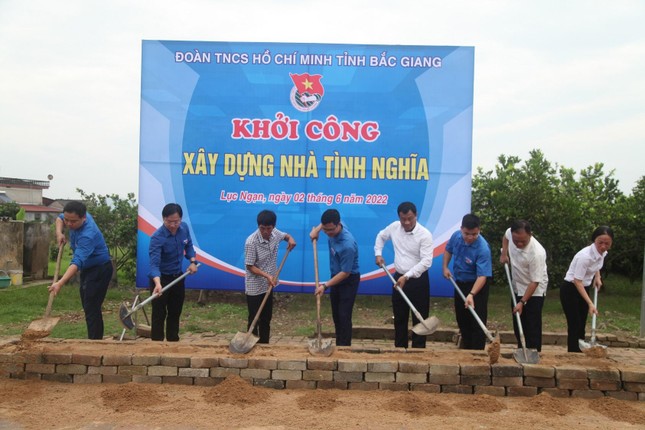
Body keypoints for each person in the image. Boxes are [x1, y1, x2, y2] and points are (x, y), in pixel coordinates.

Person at [49, 201, 113, 340]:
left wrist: (60, 283)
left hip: (100, 269)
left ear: (84, 218)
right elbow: (59, 218)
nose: (69, 224)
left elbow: (77, 261)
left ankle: (94, 342)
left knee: (91, 306)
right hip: (88, 268)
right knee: (88, 304)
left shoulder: (88, 235)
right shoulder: (71, 216)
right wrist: (59, 233)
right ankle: (95, 338)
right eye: (68, 220)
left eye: (73, 221)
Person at [374, 201, 434, 348]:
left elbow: (426, 262)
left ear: (416, 216)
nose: (406, 222)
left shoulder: (425, 235)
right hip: (398, 278)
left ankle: (418, 351)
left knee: (419, 318)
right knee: (399, 316)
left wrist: (407, 276)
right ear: (399, 217)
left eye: (410, 218)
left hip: (417, 281)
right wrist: (378, 254)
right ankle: (400, 349)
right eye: (403, 219)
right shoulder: (394, 227)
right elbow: (381, 236)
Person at [244, 209, 296, 344]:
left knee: (266, 318)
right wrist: (266, 275)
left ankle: (264, 344)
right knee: (254, 317)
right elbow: (250, 266)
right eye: (262, 228)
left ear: (273, 227)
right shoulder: (251, 241)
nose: (266, 232)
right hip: (255, 284)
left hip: (268, 284)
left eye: (268, 228)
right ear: (258, 226)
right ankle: (250, 343)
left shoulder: (275, 234)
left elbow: (285, 236)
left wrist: (290, 239)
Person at [148, 203, 198, 342]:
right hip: (160, 279)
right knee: (159, 314)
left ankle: (172, 343)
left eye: (176, 221)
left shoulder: (184, 228)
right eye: (169, 222)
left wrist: (192, 261)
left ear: (180, 219)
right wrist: (157, 283)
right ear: (164, 219)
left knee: (175, 312)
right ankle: (156, 346)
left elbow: (188, 245)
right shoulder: (157, 237)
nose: (173, 225)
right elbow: (154, 264)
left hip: (178, 277)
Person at [310, 209, 360, 346]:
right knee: (336, 315)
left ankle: (344, 349)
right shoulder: (332, 224)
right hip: (335, 276)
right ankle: (339, 344)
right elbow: (324, 224)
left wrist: (325, 286)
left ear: (338, 225)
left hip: (348, 279)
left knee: (344, 315)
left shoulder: (347, 244)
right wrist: (317, 231)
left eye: (330, 230)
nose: (328, 233)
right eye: (325, 230)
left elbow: (345, 273)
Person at [442, 213, 492, 350]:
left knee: (476, 319)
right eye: (467, 233)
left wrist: (472, 294)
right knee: (462, 317)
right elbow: (448, 250)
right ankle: (466, 348)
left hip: (477, 285)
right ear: (461, 229)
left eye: (474, 234)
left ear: (479, 230)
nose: (470, 237)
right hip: (460, 282)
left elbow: (483, 276)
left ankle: (477, 352)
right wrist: (445, 267)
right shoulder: (455, 237)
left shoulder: (483, 248)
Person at [560, 226, 613, 353]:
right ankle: (573, 353)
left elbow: (596, 265)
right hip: (571, 289)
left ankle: (581, 349)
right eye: (600, 242)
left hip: (584, 287)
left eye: (607, 243)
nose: (603, 246)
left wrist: (598, 277)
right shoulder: (584, 256)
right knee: (575, 323)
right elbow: (577, 281)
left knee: (582, 322)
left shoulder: (603, 252)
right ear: (594, 240)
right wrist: (590, 303)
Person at [500, 220, 548, 352]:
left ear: (530, 235)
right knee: (518, 322)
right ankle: (521, 349)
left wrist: (522, 302)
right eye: (516, 241)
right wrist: (504, 253)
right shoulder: (511, 233)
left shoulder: (537, 253)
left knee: (531, 325)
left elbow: (535, 281)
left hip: (534, 290)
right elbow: (506, 236)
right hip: (517, 285)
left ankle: (534, 352)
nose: (519, 244)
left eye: (523, 241)